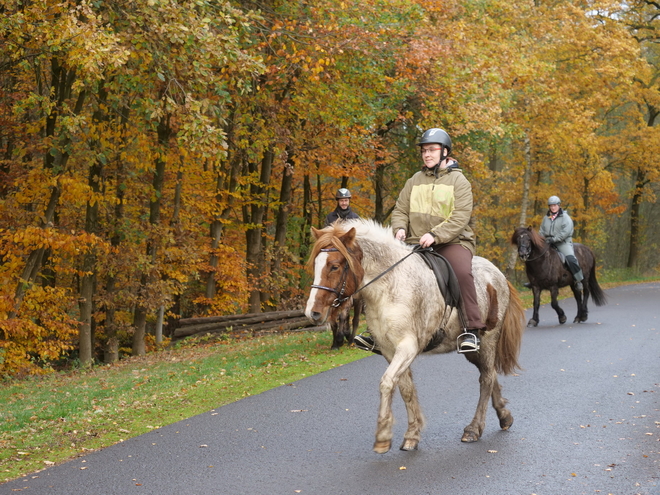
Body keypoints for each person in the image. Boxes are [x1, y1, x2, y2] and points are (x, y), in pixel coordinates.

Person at [354, 128, 486, 354]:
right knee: (386, 274)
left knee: (462, 272)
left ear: (445, 152)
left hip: (452, 242)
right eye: (424, 150)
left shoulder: (459, 180)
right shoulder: (414, 180)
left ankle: (471, 330)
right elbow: (400, 210)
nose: (427, 154)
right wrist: (399, 229)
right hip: (415, 243)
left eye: (432, 150)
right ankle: (377, 333)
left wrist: (436, 235)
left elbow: (460, 216)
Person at [538, 195, 584, 290]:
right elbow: (541, 230)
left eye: (554, 205)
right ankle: (535, 281)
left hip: (562, 243)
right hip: (548, 242)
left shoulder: (565, 218)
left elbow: (565, 232)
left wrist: (554, 239)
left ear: (559, 206)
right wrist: (541, 239)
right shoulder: (546, 218)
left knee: (571, 259)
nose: (553, 207)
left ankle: (578, 280)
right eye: (551, 206)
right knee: (536, 256)